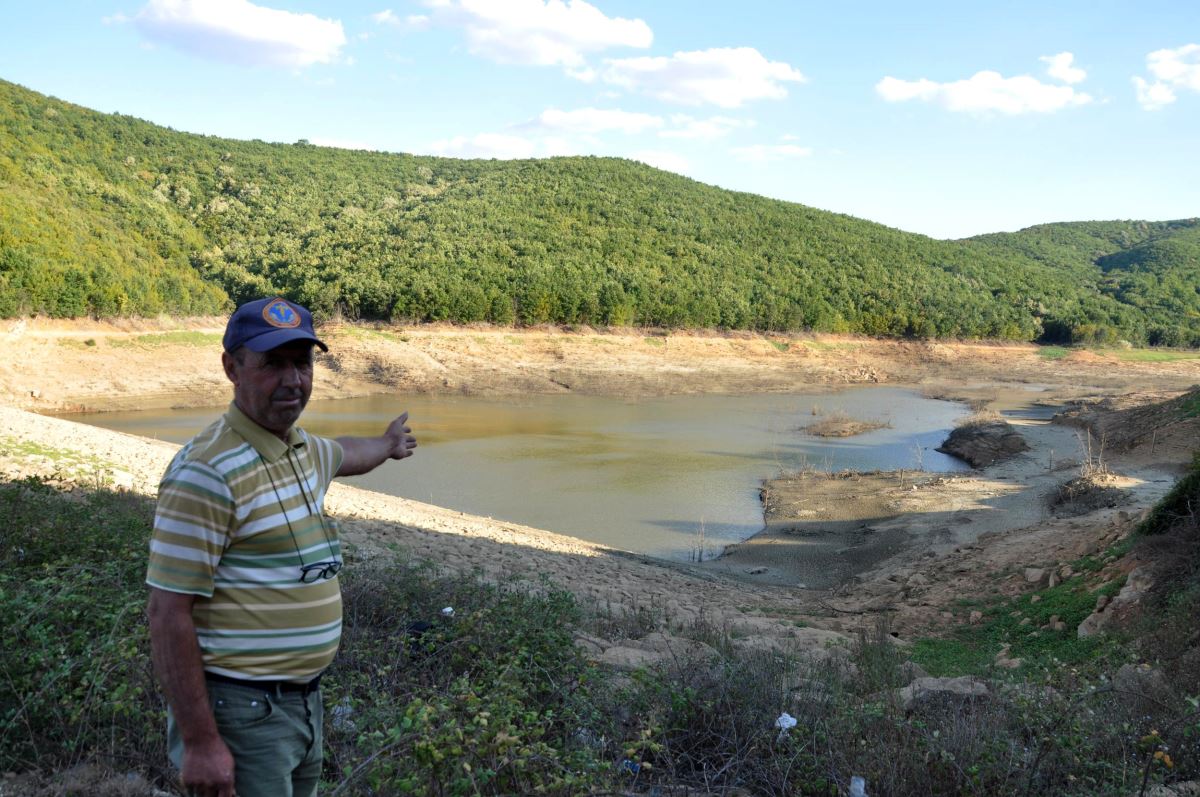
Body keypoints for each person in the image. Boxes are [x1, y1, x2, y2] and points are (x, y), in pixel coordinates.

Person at [146, 297, 416, 797]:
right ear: (232, 367)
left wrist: (388, 444)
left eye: (302, 362)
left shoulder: (298, 448)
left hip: (300, 706)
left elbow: (346, 452)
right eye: (273, 363)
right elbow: (167, 613)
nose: (293, 380)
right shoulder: (207, 473)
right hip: (242, 714)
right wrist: (202, 743)